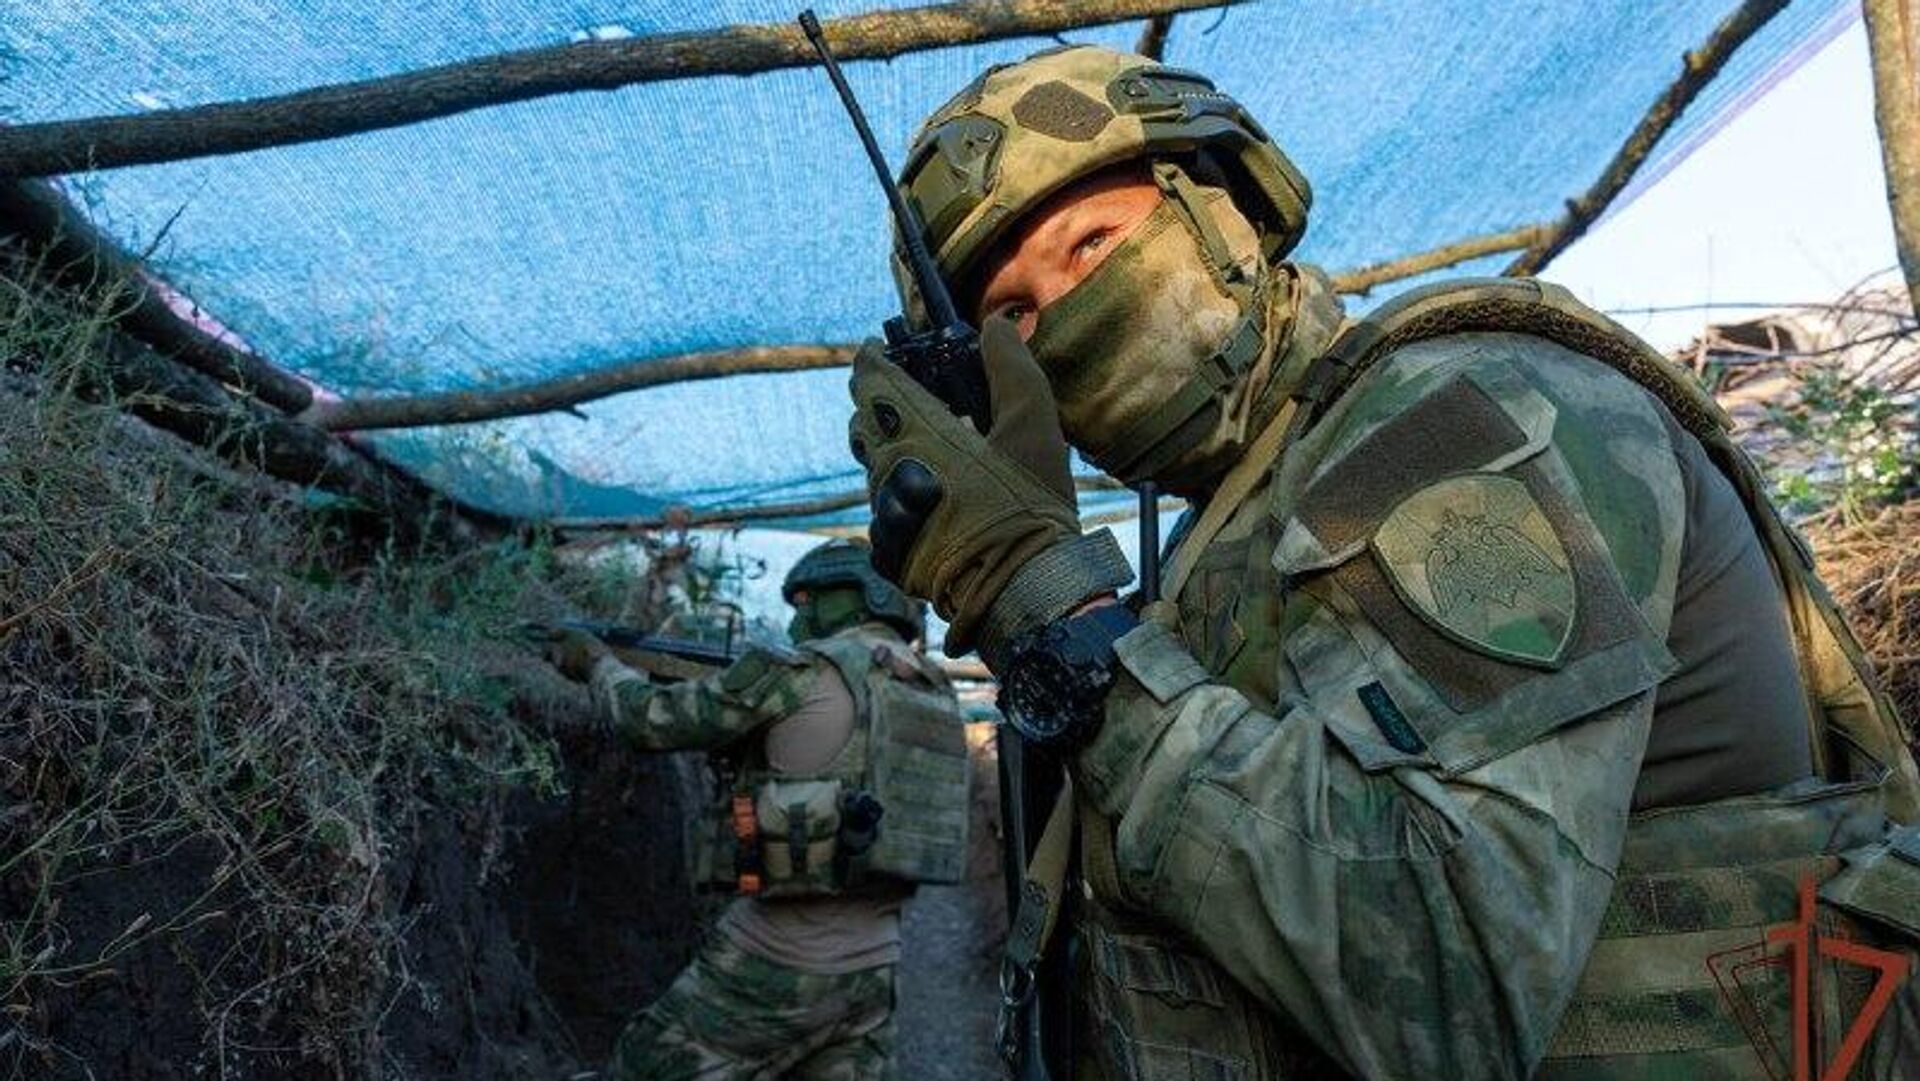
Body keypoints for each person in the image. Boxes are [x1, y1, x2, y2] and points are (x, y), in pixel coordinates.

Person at [845, 45, 1920, 1079]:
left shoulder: (1445, 423)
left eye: (1093, 244)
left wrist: (1052, 614)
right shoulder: (1233, 523)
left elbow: (1447, 984)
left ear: (1226, 205)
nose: (1066, 318)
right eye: (1013, 315)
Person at [544, 539, 970, 1080]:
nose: (798, 617)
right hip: (875, 972)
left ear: (855, 597)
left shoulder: (805, 673)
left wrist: (598, 664)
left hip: (778, 960)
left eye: (808, 600)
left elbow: (648, 718)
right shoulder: (933, 692)